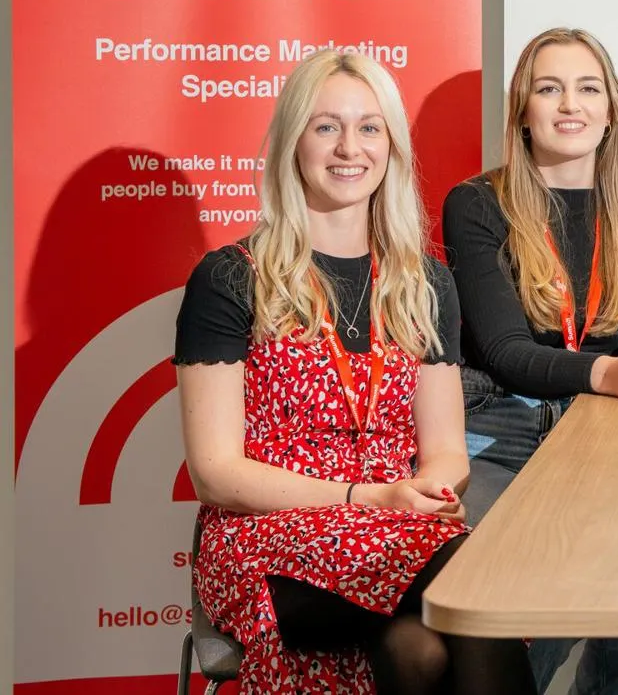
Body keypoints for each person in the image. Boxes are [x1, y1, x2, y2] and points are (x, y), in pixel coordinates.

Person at [175, 50, 533, 694]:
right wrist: (365, 499)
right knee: (476, 588)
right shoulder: (232, 278)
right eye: (326, 126)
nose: (350, 147)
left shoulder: (425, 282)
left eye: (370, 127)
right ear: (293, 142)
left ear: (391, 145)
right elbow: (216, 474)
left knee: (416, 647)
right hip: (268, 538)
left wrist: (429, 488)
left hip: (399, 528)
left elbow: (448, 450)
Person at [442, 27, 618, 694]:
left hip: (615, 434)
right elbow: (503, 352)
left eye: (587, 88)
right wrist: (607, 372)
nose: (568, 105)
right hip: (506, 424)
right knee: (530, 574)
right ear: (522, 109)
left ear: (612, 108)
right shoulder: (477, 204)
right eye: (548, 89)